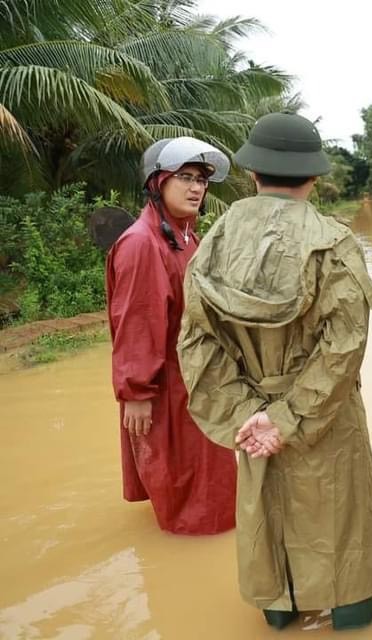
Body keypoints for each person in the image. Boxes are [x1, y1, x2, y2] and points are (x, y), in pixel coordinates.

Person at [177, 113, 372, 631]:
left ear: (252, 174)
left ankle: (281, 609)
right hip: (325, 417)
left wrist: (249, 416)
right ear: (314, 178)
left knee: (266, 516)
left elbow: (197, 344)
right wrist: (288, 418)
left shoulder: (211, 246)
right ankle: (353, 613)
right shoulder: (333, 242)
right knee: (341, 521)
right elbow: (344, 347)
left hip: (249, 416)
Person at [106, 137, 237, 535]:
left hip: (196, 383)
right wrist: (138, 393)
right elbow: (137, 323)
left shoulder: (185, 236)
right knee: (188, 496)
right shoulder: (141, 244)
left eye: (201, 180)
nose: (197, 188)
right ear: (157, 183)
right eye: (185, 177)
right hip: (165, 388)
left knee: (207, 483)